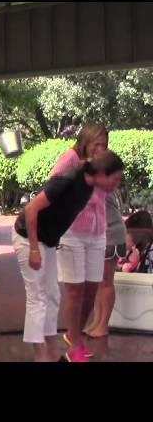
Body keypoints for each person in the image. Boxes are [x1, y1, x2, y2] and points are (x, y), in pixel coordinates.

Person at [13, 150, 124, 361]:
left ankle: (51, 347)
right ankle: (41, 354)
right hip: (27, 237)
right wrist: (34, 248)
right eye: (115, 179)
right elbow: (31, 210)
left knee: (53, 294)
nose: (116, 185)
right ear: (101, 173)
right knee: (38, 297)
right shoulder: (68, 179)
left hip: (48, 240)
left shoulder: (90, 186)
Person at [50, 123, 109, 362]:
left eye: (105, 145)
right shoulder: (70, 158)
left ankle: (74, 333)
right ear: (85, 142)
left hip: (97, 231)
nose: (102, 149)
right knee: (74, 290)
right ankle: (75, 343)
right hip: (72, 231)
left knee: (92, 287)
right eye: (98, 144)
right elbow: (52, 186)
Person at [84, 190, 127, 338]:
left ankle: (103, 325)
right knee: (99, 281)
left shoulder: (98, 185)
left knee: (106, 281)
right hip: (101, 234)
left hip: (111, 233)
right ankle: (97, 322)